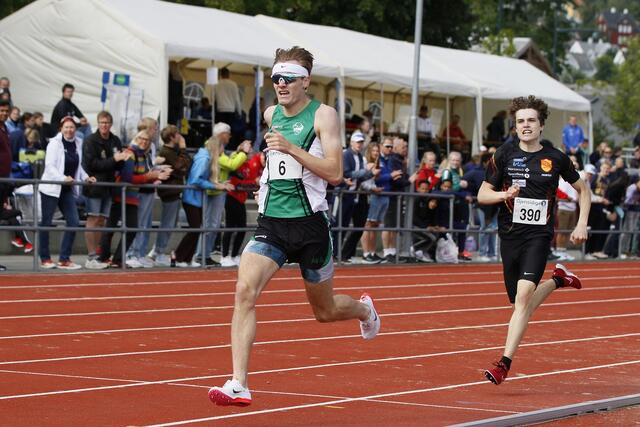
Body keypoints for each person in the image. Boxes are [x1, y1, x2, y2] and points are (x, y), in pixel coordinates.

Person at [208, 46, 380, 406]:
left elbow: (335, 173)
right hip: (272, 222)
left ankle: (364, 310)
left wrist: (291, 148)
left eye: (288, 78)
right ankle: (239, 383)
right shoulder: (271, 113)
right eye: (275, 78)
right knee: (244, 291)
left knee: (325, 311)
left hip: (310, 226)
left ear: (306, 81)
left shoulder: (325, 115)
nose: (280, 84)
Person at [478, 95, 590, 385]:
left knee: (524, 298)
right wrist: (504, 195)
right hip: (510, 236)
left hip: (538, 236)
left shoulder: (555, 158)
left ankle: (503, 363)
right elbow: (482, 194)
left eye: (531, 121)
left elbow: (583, 189)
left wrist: (581, 224)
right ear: (515, 127)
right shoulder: (503, 154)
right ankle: (557, 280)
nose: (525, 125)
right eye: (520, 121)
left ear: (541, 126)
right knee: (518, 301)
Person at [97, 130, 170, 268]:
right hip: (121, 194)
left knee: (130, 228)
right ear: (136, 139)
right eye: (141, 138)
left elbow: (139, 178)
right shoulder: (131, 153)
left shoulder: (143, 155)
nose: (144, 141)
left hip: (131, 196)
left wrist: (155, 177)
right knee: (112, 227)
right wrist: (151, 177)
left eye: (147, 140)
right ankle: (104, 257)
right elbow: (127, 178)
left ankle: (116, 259)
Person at [38, 117, 94, 269]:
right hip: (51, 188)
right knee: (46, 223)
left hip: (67, 190)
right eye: (66, 127)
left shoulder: (78, 143)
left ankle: (64, 259)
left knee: (74, 222)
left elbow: (78, 167)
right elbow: (49, 167)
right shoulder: (54, 144)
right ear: (61, 129)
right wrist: (63, 178)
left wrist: (87, 177)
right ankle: (45, 258)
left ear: (76, 129)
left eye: (72, 127)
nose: (69, 130)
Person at [193, 123, 250, 267]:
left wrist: (238, 152)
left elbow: (228, 162)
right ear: (222, 134)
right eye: (228, 133)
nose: (230, 136)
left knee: (214, 225)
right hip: (212, 190)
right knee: (209, 225)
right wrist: (243, 153)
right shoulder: (212, 147)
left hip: (218, 190)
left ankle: (205, 255)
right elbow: (230, 164)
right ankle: (200, 256)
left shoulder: (218, 148)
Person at [174, 136, 234, 267]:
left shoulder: (206, 157)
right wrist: (216, 186)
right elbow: (196, 179)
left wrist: (219, 183)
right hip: (191, 198)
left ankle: (186, 258)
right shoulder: (204, 159)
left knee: (197, 228)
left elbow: (202, 179)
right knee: (195, 228)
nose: (223, 152)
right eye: (222, 148)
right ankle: (179, 257)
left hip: (195, 198)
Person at [81, 111, 130, 269]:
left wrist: (123, 159)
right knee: (93, 220)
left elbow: (117, 165)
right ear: (98, 123)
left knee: (102, 221)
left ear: (111, 124)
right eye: (102, 122)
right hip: (94, 186)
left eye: (107, 123)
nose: (104, 125)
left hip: (109, 187)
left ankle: (98, 255)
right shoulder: (90, 140)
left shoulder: (115, 140)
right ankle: (91, 257)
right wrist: (114, 160)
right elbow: (91, 165)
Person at [153, 125, 192, 266]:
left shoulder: (170, 151)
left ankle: (157, 250)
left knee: (171, 223)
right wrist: (183, 148)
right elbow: (182, 166)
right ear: (171, 137)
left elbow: (183, 167)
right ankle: (159, 251)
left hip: (173, 191)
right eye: (177, 134)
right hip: (169, 191)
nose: (180, 137)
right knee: (167, 224)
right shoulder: (167, 151)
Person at [221, 151, 264, 267]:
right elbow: (238, 185)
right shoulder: (238, 166)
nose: (249, 155)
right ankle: (224, 256)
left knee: (242, 228)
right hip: (232, 197)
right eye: (247, 153)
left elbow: (248, 184)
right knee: (229, 227)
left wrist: (253, 183)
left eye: (250, 152)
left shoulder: (249, 166)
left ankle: (234, 255)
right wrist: (253, 182)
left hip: (241, 199)